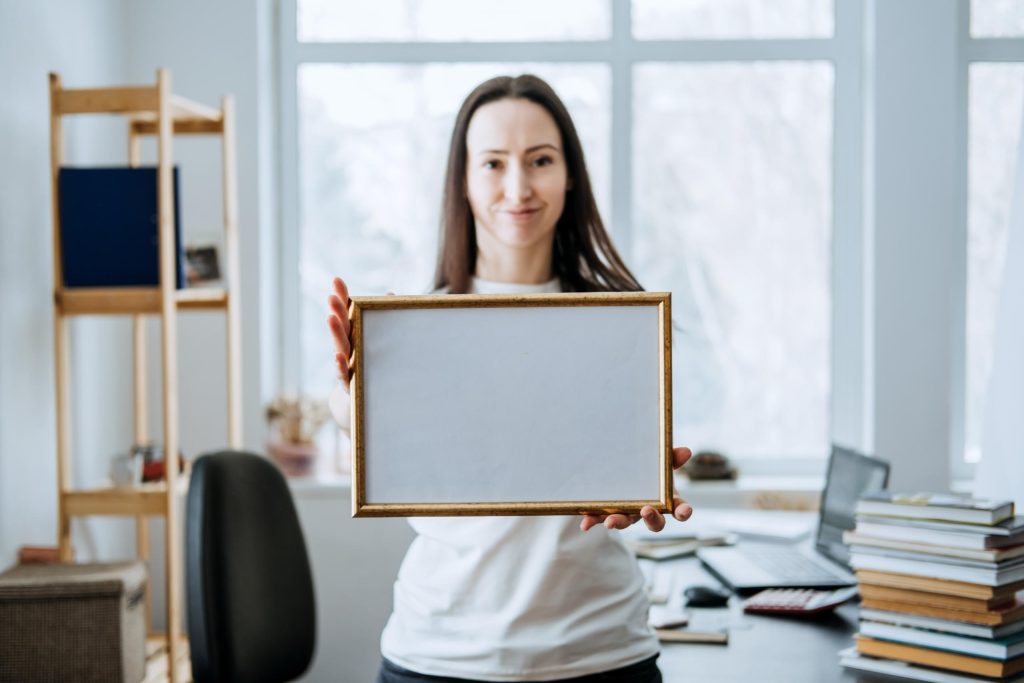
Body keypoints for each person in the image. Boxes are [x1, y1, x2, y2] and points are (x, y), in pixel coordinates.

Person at [327, 74, 694, 683]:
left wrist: (642, 491)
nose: (518, 187)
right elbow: (363, 444)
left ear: (570, 173)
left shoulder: (624, 322)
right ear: (464, 181)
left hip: (601, 654)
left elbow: (626, 476)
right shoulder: (406, 330)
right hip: (438, 655)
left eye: (540, 160)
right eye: (493, 163)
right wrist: (350, 410)